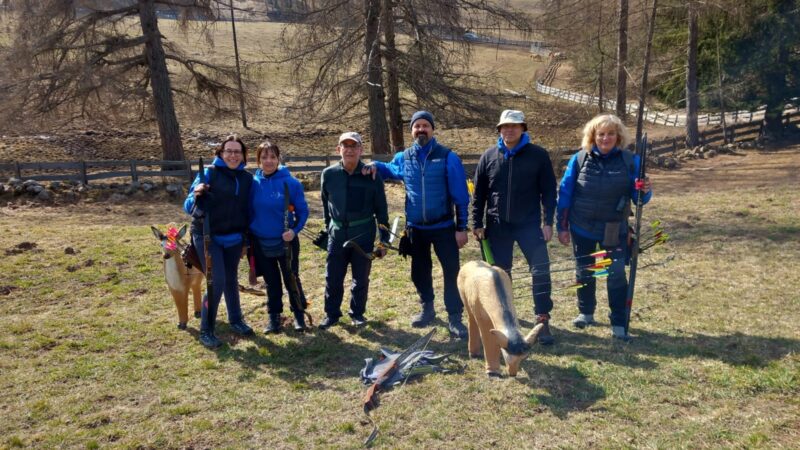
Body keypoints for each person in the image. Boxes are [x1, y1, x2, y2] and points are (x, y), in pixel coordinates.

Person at [365, 111, 470, 338]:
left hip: (443, 227)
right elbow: (390, 169)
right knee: (419, 272)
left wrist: (462, 228)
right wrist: (374, 164)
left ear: (432, 129)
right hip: (416, 229)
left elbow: (461, 196)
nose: (421, 130)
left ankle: (455, 317)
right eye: (417, 126)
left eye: (425, 126)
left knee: (452, 272)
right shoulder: (405, 157)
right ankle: (427, 309)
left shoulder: (447, 157)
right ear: (411, 130)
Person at [556, 114, 652, 340]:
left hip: (614, 228)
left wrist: (644, 190)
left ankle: (618, 322)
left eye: (610, 133)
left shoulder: (630, 161)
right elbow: (566, 193)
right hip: (582, 226)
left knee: (615, 273)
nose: (605, 138)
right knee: (586, 270)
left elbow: (640, 198)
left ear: (618, 136)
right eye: (601, 134)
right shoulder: (579, 159)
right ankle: (586, 313)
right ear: (593, 136)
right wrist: (562, 226)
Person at [471, 110, 558, 345]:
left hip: (530, 226)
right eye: (504, 126)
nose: (509, 130)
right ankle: (505, 319)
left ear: (523, 128)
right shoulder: (489, 156)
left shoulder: (538, 155)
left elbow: (549, 192)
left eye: (514, 126)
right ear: (499, 130)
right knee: (500, 276)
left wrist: (547, 222)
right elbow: (479, 194)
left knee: (540, 271)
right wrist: (476, 223)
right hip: (498, 226)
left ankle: (542, 320)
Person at [184, 135, 255, 348]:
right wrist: (197, 194)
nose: (233, 155)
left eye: (237, 151)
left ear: (243, 155)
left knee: (231, 279)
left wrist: (247, 237)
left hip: (233, 237)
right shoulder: (209, 174)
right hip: (208, 236)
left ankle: (236, 319)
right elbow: (188, 206)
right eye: (229, 151)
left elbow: (248, 207)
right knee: (216, 282)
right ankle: (206, 329)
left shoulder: (246, 178)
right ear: (221, 154)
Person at [319, 132, 390, 329]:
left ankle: (357, 313)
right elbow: (326, 205)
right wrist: (328, 228)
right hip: (337, 234)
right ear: (338, 149)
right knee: (333, 277)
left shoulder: (371, 175)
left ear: (361, 149)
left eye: (354, 146)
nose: (349, 149)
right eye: (345, 146)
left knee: (361, 278)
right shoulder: (329, 175)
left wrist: (383, 241)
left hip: (363, 234)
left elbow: (382, 210)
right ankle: (331, 314)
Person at [249, 141, 310, 334]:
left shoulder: (291, 183)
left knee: (291, 278)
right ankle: (274, 317)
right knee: (271, 281)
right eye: (264, 157)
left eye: (272, 157)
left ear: (278, 159)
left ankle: (299, 314)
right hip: (261, 242)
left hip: (287, 242)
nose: (269, 161)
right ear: (258, 160)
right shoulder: (252, 184)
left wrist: (294, 231)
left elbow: (303, 211)